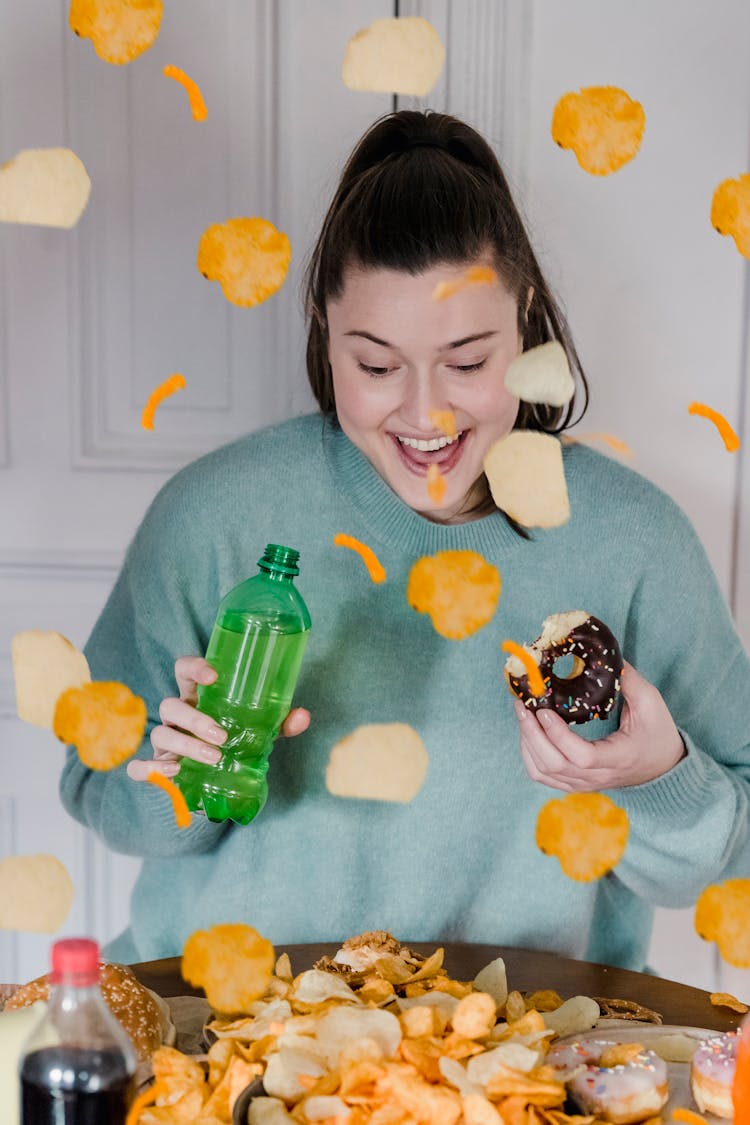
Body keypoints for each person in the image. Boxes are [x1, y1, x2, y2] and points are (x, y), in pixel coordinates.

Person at [60, 109, 750, 969]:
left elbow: (732, 853)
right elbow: (95, 788)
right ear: (322, 325)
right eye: (377, 366)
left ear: (525, 315)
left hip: (523, 1067)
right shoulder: (214, 515)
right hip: (234, 1053)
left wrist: (654, 777)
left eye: (467, 362)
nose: (427, 415)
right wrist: (198, 776)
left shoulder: (634, 539)